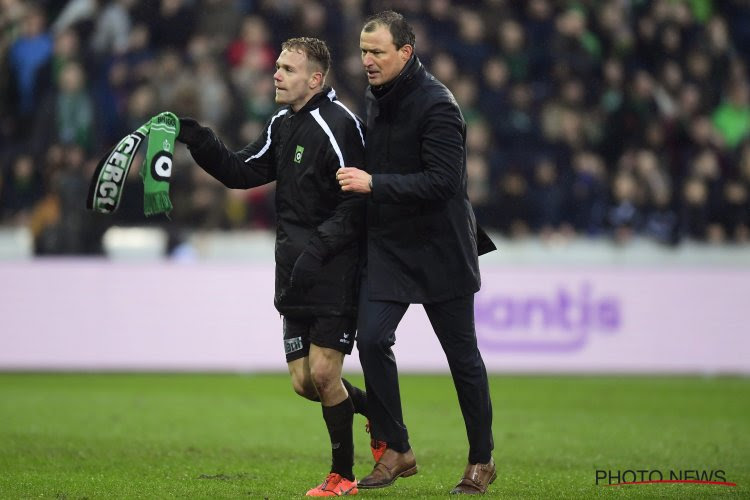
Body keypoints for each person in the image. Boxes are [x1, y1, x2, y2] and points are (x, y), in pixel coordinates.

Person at [176, 37, 366, 497]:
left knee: (325, 375)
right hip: (293, 270)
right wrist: (195, 135)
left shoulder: (340, 125)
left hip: (334, 267)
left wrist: (318, 251)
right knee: (305, 384)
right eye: (277, 66)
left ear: (315, 79)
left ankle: (343, 477)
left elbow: (357, 205)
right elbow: (241, 172)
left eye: (287, 69)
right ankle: (379, 412)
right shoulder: (282, 124)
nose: (276, 74)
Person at [336, 11, 497, 495]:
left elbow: (445, 182)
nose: (367, 61)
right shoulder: (377, 95)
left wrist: (373, 184)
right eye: (364, 51)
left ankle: (481, 460)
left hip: (440, 247)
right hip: (391, 246)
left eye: (377, 52)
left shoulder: (439, 106)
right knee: (371, 340)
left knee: (462, 358)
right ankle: (397, 448)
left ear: (405, 53)